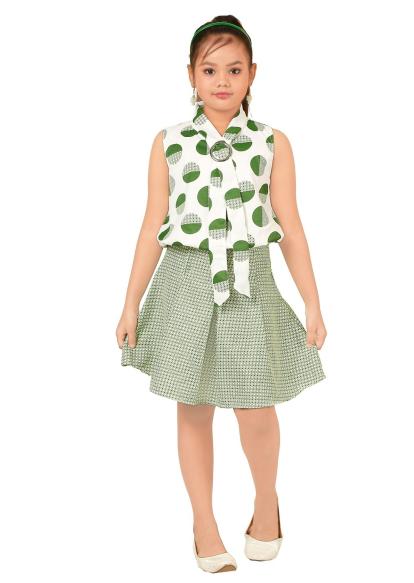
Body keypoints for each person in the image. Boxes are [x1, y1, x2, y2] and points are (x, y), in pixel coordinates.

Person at [116, 15, 328, 572]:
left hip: (249, 281)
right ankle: (203, 524)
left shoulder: (272, 142)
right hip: (185, 281)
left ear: (252, 74)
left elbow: (291, 226)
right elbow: (152, 224)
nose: (222, 81)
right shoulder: (169, 143)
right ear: (191, 75)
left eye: (234, 70)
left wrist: (312, 301)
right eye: (209, 70)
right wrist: (130, 302)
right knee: (193, 406)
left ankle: (267, 502)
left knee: (256, 406)